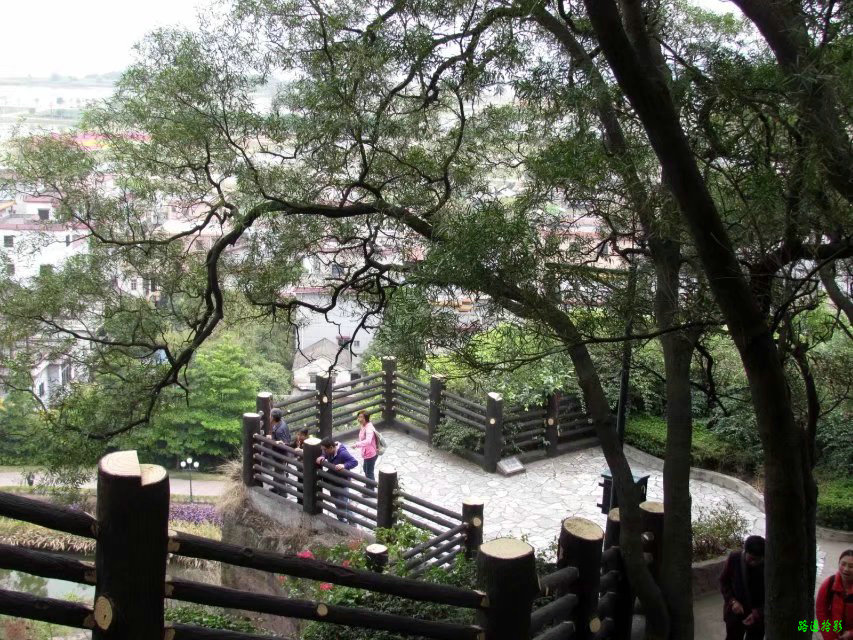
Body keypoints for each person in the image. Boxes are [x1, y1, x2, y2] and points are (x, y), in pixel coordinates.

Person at [720, 535, 765, 640]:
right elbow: (724, 581)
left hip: (758, 616)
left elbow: (773, 595)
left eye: (758, 560)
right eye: (751, 558)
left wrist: (758, 613)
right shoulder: (734, 558)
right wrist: (733, 601)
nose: (754, 563)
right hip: (735, 612)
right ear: (745, 551)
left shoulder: (768, 565)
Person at [315, 437, 358, 523]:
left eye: (325, 450)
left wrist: (344, 465)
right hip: (333, 481)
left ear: (331, 447)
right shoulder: (330, 451)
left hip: (342, 483)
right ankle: (345, 520)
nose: (324, 451)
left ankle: (350, 522)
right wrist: (322, 456)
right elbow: (325, 454)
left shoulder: (342, 454)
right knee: (338, 504)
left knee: (343, 505)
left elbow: (354, 462)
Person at [816, 549, 853, 640]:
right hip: (834, 631)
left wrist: (851, 634)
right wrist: (829, 636)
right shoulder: (829, 584)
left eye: (851, 566)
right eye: (843, 564)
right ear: (839, 564)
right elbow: (821, 612)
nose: (846, 569)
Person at [351, 410, 378, 481]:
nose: (359, 419)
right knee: (365, 470)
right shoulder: (363, 425)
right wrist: (357, 444)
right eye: (358, 417)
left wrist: (357, 444)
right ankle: (369, 487)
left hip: (371, 454)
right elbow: (363, 439)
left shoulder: (369, 428)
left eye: (361, 417)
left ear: (366, 418)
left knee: (369, 473)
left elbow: (368, 441)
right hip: (366, 452)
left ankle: (370, 490)